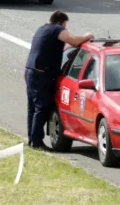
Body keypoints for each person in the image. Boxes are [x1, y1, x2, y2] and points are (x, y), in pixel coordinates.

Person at [24, 11, 94, 151]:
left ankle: (32, 140)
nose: (65, 28)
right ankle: (36, 142)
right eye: (65, 25)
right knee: (41, 107)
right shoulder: (57, 29)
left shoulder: (43, 28)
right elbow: (73, 41)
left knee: (33, 107)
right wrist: (88, 36)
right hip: (41, 74)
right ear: (60, 22)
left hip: (31, 72)